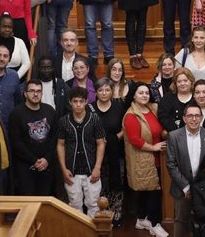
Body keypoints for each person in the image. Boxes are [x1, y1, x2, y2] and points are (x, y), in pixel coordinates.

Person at [166, 103, 205, 237]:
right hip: (182, 189)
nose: (194, 119)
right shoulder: (174, 136)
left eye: (197, 116)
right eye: (190, 116)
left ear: (201, 118)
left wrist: (204, 185)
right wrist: (186, 186)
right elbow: (171, 164)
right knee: (180, 222)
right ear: (184, 118)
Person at [123, 82, 169, 237]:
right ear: (134, 96)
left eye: (146, 93)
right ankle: (155, 225)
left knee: (148, 192)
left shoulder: (152, 109)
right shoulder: (131, 115)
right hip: (144, 158)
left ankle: (142, 219)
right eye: (140, 93)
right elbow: (135, 140)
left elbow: (158, 128)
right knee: (153, 192)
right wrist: (154, 147)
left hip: (157, 159)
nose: (144, 95)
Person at [57, 87, 106, 218]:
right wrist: (63, 169)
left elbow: (101, 143)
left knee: (94, 205)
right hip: (71, 171)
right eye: (75, 101)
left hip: (91, 170)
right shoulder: (63, 121)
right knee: (74, 206)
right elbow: (60, 145)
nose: (78, 104)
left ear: (86, 102)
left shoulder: (95, 119)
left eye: (81, 101)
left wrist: (97, 167)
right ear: (70, 102)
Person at [8, 79, 58, 196]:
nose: (35, 94)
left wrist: (46, 159)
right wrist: (34, 160)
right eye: (32, 91)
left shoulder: (50, 110)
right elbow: (15, 142)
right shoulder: (16, 113)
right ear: (25, 93)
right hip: (25, 168)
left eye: (38, 91)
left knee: (45, 204)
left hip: (47, 166)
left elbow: (55, 137)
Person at [91, 77, 125, 227]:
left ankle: (116, 213)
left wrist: (115, 138)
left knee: (116, 184)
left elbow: (125, 128)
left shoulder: (119, 107)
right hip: (96, 154)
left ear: (112, 91)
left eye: (107, 90)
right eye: (100, 90)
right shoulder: (89, 108)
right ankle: (101, 216)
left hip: (116, 152)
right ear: (96, 92)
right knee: (99, 186)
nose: (104, 93)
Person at [0, 13, 31, 79]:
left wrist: (15, 77)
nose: (7, 29)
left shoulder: (20, 42)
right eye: (4, 26)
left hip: (17, 82)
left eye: (10, 27)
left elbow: (26, 63)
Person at [158, 67, 195, 133]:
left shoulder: (197, 96)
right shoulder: (167, 98)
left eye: (185, 80)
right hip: (175, 136)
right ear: (175, 83)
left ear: (191, 81)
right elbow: (163, 117)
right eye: (179, 81)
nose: (182, 84)